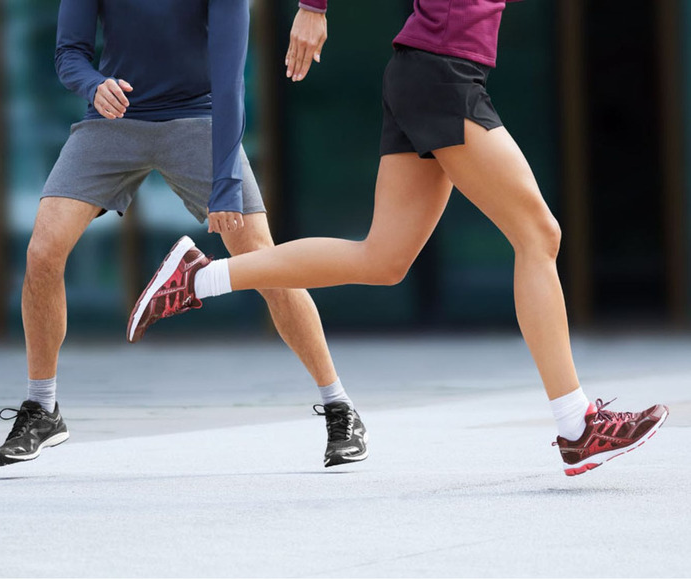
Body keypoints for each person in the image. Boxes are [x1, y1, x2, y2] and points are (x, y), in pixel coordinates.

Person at [129, 0, 669, 476]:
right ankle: (577, 428)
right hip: (441, 74)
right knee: (538, 234)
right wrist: (313, 6)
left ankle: (199, 279)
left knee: (383, 259)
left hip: (432, 72)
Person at [0, 0, 368, 469]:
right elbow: (70, 53)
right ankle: (42, 408)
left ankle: (339, 407)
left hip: (200, 119)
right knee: (43, 252)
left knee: (264, 260)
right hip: (112, 121)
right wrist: (94, 84)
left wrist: (226, 183)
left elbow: (230, 76)